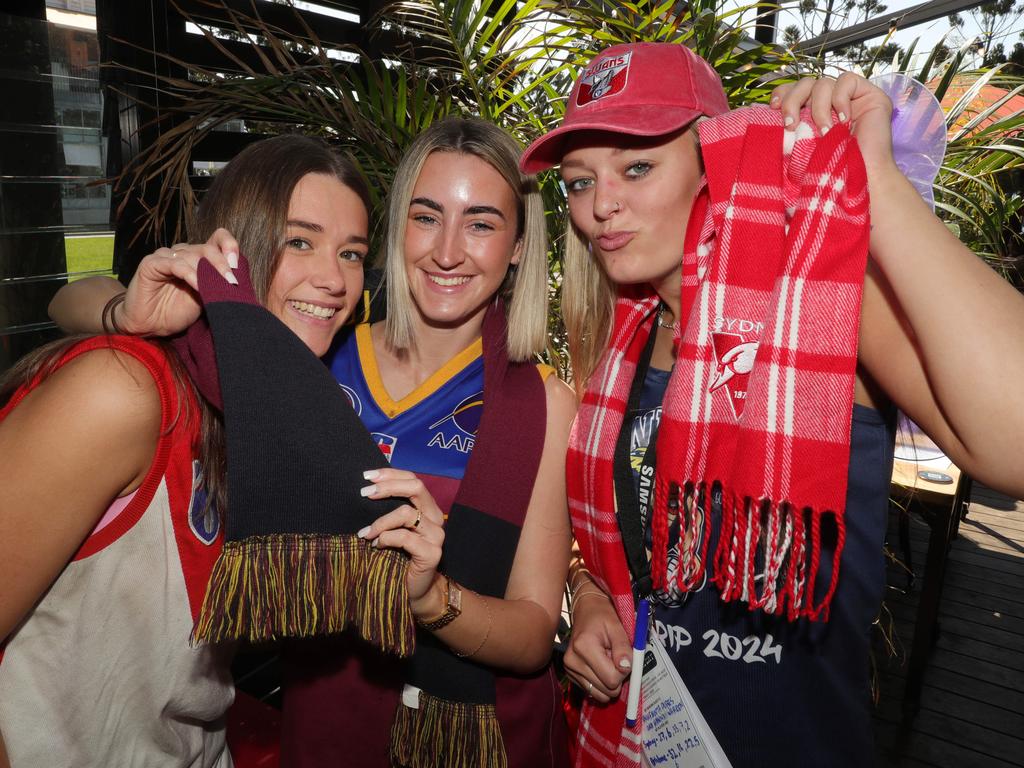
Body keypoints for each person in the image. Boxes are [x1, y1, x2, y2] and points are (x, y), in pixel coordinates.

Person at [519, 42, 1024, 768]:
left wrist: (871, 179)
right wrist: (590, 593)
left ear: (715, 164)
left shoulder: (815, 315)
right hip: (623, 743)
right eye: (577, 182)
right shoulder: (619, 336)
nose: (600, 206)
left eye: (637, 167)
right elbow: (622, 538)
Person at [50, 117, 576, 768]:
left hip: (472, 738)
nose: (446, 251)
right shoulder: (314, 354)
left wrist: (428, 597)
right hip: (319, 721)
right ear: (397, 230)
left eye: (482, 223)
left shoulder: (544, 403)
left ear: (520, 244)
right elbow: (78, 300)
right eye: (426, 216)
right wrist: (119, 310)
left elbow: (530, 636)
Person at [0, 133, 372, 767]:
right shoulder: (125, 391)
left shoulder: (290, 412)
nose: (334, 280)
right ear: (235, 248)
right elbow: (73, 297)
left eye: (353, 253)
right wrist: (120, 310)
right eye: (300, 241)